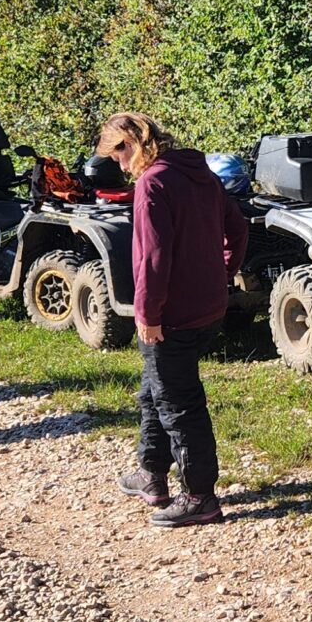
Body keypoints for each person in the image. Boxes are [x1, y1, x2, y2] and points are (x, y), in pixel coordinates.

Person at [104, 112, 240, 528]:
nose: (119, 166)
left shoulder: (153, 182)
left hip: (172, 315)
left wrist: (147, 313)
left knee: (179, 404)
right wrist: (225, 269)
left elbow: (152, 256)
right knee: (154, 389)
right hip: (208, 306)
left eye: (117, 155)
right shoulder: (202, 174)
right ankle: (152, 473)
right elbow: (237, 225)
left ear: (132, 144)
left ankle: (200, 496)